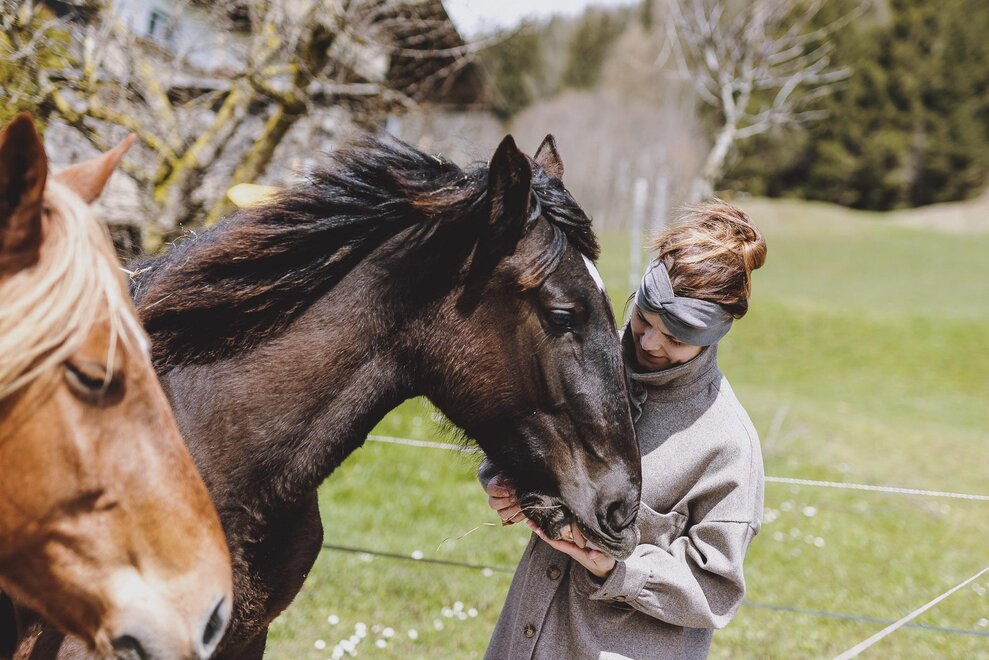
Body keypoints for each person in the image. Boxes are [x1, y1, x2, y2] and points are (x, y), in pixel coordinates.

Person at [479, 201, 767, 660]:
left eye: (675, 338)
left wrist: (621, 567)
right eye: (643, 319)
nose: (649, 343)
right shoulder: (583, 364)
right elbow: (526, 429)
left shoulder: (728, 444)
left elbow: (715, 589)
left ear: (714, 335)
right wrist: (506, 477)